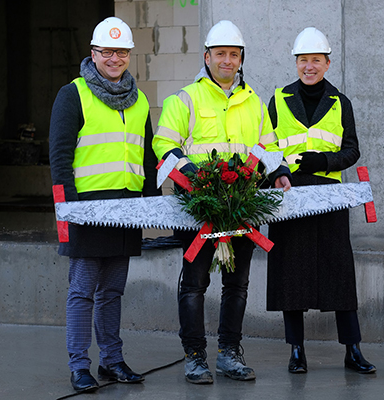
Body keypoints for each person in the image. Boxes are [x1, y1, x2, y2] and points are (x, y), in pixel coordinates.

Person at [153, 20, 291, 384]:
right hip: (199, 209)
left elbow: (270, 146)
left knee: (237, 284)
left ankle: (229, 353)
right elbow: (163, 143)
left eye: (233, 55)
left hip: (244, 206)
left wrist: (279, 171)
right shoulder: (185, 99)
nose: (227, 61)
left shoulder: (255, 102)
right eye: (220, 54)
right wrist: (194, 174)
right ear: (207, 57)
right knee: (195, 283)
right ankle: (195, 356)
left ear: (241, 58)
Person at [49, 17, 161, 393]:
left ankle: (112, 360)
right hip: (87, 208)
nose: (115, 58)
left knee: (113, 290)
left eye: (122, 52)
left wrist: (151, 205)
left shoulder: (140, 98)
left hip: (127, 209)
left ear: (129, 55)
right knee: (82, 290)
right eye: (108, 51)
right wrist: (68, 207)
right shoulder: (74, 94)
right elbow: (60, 155)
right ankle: (80, 365)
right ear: (93, 53)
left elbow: (147, 158)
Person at [266, 27, 376, 374]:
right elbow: (265, 149)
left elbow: (352, 151)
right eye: (303, 60)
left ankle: (353, 349)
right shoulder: (278, 99)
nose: (309, 66)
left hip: (330, 197)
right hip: (289, 194)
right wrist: (278, 172)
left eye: (316, 60)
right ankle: (296, 350)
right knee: (290, 273)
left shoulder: (340, 103)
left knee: (339, 271)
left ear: (327, 63)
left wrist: (324, 162)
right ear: (296, 63)